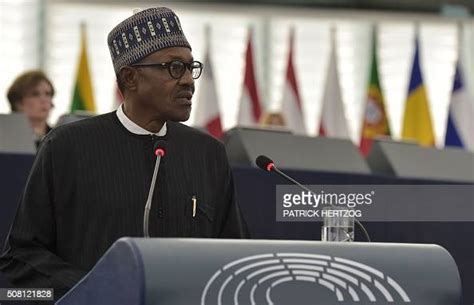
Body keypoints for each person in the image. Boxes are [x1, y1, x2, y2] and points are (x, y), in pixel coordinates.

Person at [0, 7, 248, 301]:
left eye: (190, 67)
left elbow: (236, 254)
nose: (188, 81)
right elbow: (22, 253)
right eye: (173, 67)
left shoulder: (208, 153)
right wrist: (94, 289)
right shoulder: (67, 147)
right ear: (130, 78)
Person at [6, 70, 55, 148]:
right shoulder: (4, 136)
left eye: (48, 94)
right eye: (35, 94)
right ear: (18, 102)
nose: (44, 100)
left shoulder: (59, 137)